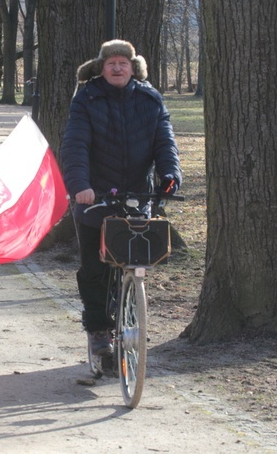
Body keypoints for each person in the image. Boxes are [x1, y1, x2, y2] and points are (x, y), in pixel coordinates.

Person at [60, 40, 182, 356]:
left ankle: (131, 305)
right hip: (95, 197)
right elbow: (75, 146)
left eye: (123, 63)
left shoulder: (150, 99)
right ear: (101, 67)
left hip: (137, 196)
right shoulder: (87, 98)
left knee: (137, 258)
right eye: (111, 62)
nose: (117, 68)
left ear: (133, 67)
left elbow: (165, 143)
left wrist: (169, 177)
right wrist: (79, 186)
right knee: (94, 270)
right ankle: (98, 330)